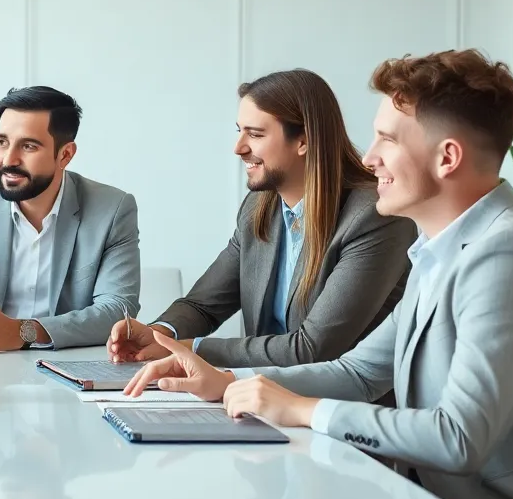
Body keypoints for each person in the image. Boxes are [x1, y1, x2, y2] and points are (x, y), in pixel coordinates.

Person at [124, 49, 513, 499]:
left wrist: (302, 409)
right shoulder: (438, 248)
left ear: (447, 157)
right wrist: (229, 383)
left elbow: (457, 438)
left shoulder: (508, 255)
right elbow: (359, 373)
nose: (368, 156)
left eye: (387, 139)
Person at [108, 69, 416, 369]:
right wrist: (160, 334)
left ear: (303, 141)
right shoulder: (259, 207)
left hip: (335, 411)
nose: (239, 148)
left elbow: (312, 348)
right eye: (239, 131)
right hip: (257, 400)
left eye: (255, 134)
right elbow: (203, 305)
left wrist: (191, 349)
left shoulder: (375, 217)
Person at [0, 86, 139, 351]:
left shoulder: (111, 209)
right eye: (2, 142)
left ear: (65, 154)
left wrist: (24, 332)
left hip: (66, 363)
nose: (9, 159)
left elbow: (118, 309)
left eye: (28, 146)